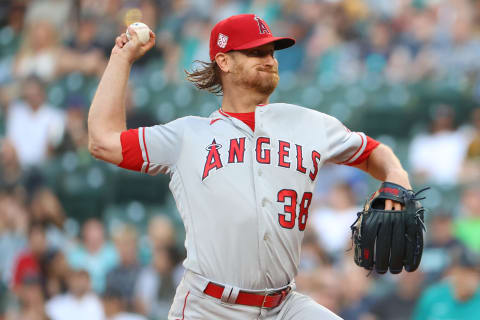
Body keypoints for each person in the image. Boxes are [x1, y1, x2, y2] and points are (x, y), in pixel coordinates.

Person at [88, 14, 413, 320]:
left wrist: (397, 178)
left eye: (271, 52)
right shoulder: (186, 135)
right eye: (255, 52)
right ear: (224, 61)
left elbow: (374, 152)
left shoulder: (310, 124)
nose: (269, 59)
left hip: (284, 305)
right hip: (210, 307)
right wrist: (122, 58)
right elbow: (102, 141)